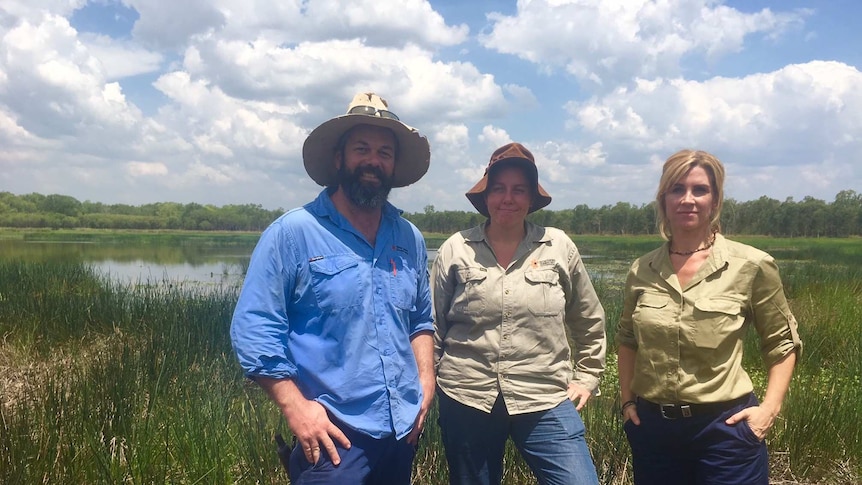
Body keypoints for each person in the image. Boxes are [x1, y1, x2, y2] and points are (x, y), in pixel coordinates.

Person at [230, 92, 435, 484]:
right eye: (362, 149)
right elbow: (254, 330)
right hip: (333, 436)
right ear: (339, 157)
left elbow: (421, 322)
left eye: (384, 153)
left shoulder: (408, 237)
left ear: (394, 166)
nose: (373, 161)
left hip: (401, 429)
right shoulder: (293, 233)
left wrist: (425, 384)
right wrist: (295, 408)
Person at [616, 149, 803, 485]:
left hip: (725, 430)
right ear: (663, 199)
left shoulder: (752, 265)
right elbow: (628, 340)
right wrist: (627, 402)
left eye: (699, 190)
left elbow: (782, 342)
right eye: (677, 189)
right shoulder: (641, 269)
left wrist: (768, 412)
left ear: (715, 200)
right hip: (654, 430)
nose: (687, 199)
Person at [431, 142, 606, 485]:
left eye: (518, 190)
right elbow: (433, 326)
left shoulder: (558, 246)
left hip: (544, 394)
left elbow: (588, 317)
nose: (507, 198)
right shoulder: (456, 248)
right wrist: (428, 386)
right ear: (486, 196)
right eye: (498, 189)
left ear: (530, 199)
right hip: (467, 396)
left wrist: (586, 378)